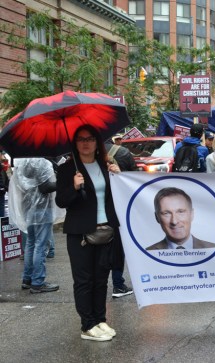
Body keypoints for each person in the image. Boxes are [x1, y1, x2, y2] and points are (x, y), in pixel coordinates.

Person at [55, 124, 122, 342]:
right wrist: (74, 188)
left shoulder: (106, 165)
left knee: (101, 279)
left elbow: (117, 197)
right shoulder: (67, 169)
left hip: (106, 229)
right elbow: (61, 201)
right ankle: (87, 325)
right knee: (84, 280)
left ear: (97, 142)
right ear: (75, 143)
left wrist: (119, 177)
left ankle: (100, 319)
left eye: (90, 138)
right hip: (81, 232)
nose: (86, 143)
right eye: (81, 139)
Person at [9, 158, 59, 293]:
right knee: (40, 245)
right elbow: (46, 187)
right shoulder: (43, 163)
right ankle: (38, 282)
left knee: (30, 243)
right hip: (42, 209)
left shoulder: (21, 163)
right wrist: (62, 181)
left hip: (27, 207)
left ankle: (27, 279)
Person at [104, 139, 135, 298]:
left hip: (97, 208)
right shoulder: (123, 152)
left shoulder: (86, 156)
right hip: (119, 206)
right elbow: (135, 178)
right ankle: (118, 283)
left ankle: (100, 286)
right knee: (117, 246)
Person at [146, 187, 215, 250]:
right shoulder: (146, 253)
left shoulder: (214, 249)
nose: (174, 221)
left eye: (180, 212)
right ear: (157, 217)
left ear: (191, 214)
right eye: (166, 213)